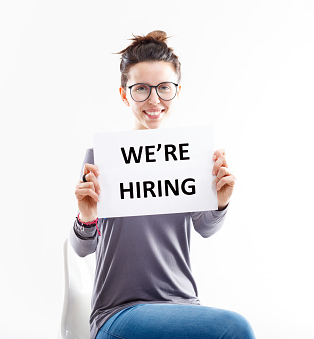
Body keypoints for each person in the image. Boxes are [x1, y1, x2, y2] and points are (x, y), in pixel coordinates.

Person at [71, 30, 255, 339]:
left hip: (185, 307)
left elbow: (206, 228)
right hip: (118, 314)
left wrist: (220, 202)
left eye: (164, 88)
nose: (154, 100)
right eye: (141, 88)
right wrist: (86, 217)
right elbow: (81, 247)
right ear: (124, 94)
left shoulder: (191, 156)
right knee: (235, 329)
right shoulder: (101, 159)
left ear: (177, 92)